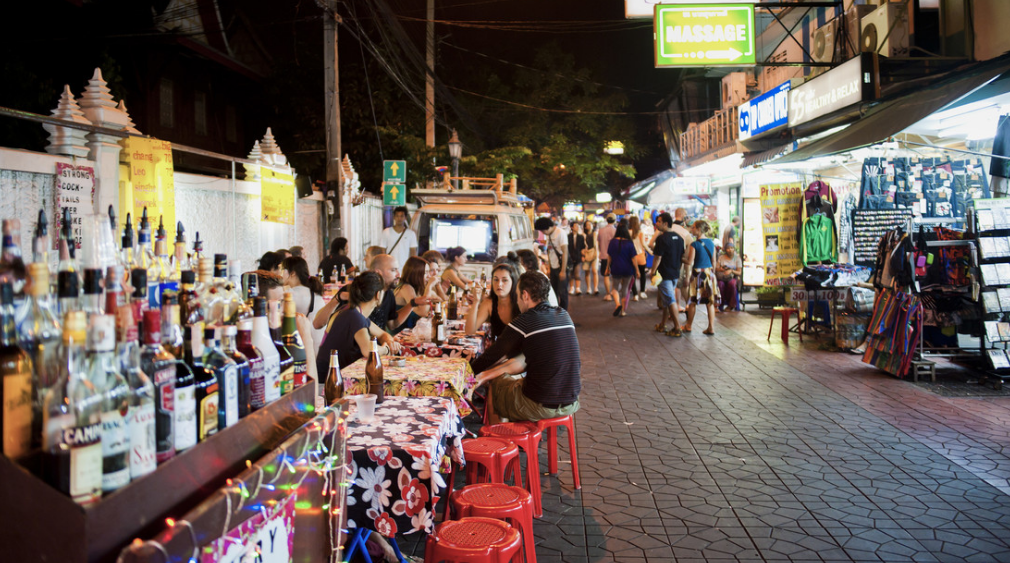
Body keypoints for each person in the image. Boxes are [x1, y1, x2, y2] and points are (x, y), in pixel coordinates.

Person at [469, 271, 580, 422]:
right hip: (571, 402)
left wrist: (468, 374)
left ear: (525, 295)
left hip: (541, 406)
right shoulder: (563, 314)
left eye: (517, 295)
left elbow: (492, 355)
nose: (517, 300)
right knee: (515, 381)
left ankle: (497, 438)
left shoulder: (526, 320)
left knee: (496, 385)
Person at [315, 272, 399, 376]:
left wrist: (390, 342)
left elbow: (382, 334)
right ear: (378, 294)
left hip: (335, 376)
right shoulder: (354, 316)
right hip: (327, 382)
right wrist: (385, 349)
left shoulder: (354, 312)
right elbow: (368, 350)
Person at [256, 270, 320, 383]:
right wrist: (307, 339)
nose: (285, 309)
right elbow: (310, 394)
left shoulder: (280, 331)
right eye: (279, 303)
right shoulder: (262, 342)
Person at [647, 212, 685, 337]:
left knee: (670, 300)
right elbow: (682, 256)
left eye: (659, 221)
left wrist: (653, 272)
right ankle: (663, 324)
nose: (657, 224)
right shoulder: (679, 238)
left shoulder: (662, 238)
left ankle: (677, 328)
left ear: (666, 223)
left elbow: (657, 258)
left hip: (664, 274)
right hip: (675, 273)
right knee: (666, 300)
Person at [280, 256, 326, 348]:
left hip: (304, 349)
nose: (280, 274)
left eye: (282, 270)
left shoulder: (289, 295)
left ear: (292, 273)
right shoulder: (314, 292)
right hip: (320, 346)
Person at [466, 261, 520, 339]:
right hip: (498, 349)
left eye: (504, 280)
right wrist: (476, 302)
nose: (499, 284)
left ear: (513, 282)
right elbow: (469, 332)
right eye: (496, 280)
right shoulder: (489, 303)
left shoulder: (521, 303)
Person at [685, 220, 718, 336]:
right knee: (710, 302)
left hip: (697, 274)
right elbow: (714, 261)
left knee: (693, 302)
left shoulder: (695, 244)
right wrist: (713, 274)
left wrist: (681, 258)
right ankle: (711, 327)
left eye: (693, 228)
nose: (692, 229)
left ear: (699, 229)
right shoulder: (711, 243)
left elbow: (690, 261)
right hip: (709, 274)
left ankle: (688, 325)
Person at [393, 256, 441, 332]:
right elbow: (423, 312)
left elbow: (439, 300)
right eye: (425, 272)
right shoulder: (406, 288)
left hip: (409, 333)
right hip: (398, 336)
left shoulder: (414, 286)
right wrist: (429, 286)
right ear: (416, 273)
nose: (429, 276)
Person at [534, 217, 569, 311]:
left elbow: (565, 252)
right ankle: (556, 312)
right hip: (553, 267)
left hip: (561, 267)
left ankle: (563, 314)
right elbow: (550, 251)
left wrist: (563, 271)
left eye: (543, 230)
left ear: (548, 227)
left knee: (563, 293)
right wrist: (549, 267)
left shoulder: (560, 233)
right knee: (554, 292)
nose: (543, 232)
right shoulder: (549, 234)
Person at [606, 223, 638, 317]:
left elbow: (609, 257)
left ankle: (618, 304)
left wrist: (607, 268)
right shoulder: (629, 242)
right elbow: (634, 258)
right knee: (625, 288)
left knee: (615, 288)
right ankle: (623, 311)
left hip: (616, 268)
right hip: (628, 269)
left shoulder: (613, 242)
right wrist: (637, 270)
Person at [379, 206, 418, 270]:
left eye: (401, 216)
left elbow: (413, 252)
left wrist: (412, 266)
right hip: (390, 267)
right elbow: (383, 251)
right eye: (397, 216)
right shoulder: (386, 232)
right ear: (394, 217)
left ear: (405, 218)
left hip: (405, 268)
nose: (399, 218)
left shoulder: (411, 234)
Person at [716, 242, 743, 312]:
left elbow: (739, 272)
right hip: (722, 277)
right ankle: (720, 304)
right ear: (725, 250)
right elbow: (716, 268)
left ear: (734, 249)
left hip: (732, 277)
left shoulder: (737, 258)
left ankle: (731, 305)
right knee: (720, 285)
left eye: (731, 248)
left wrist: (731, 271)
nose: (730, 250)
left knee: (732, 284)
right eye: (728, 248)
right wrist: (721, 269)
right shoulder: (721, 257)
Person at [597, 214, 617, 300]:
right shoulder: (615, 231)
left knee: (606, 275)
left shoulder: (601, 231)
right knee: (614, 275)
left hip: (604, 255)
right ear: (614, 220)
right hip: (614, 256)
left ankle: (608, 294)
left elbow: (598, 243)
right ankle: (613, 291)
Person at [629, 216, 649, 301]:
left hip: (631, 256)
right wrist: (650, 251)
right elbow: (644, 244)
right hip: (640, 255)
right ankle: (642, 292)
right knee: (642, 274)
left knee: (632, 276)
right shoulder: (641, 232)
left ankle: (635, 295)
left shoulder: (627, 232)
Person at [567, 222, 585, 295]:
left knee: (577, 273)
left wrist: (583, 256)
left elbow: (583, 247)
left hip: (578, 257)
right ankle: (571, 288)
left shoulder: (581, 237)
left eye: (578, 226)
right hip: (570, 258)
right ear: (572, 228)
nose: (577, 227)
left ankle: (578, 288)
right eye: (576, 226)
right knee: (570, 274)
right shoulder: (568, 237)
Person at [582, 220, 599, 295]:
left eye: (590, 224)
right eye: (588, 225)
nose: (589, 226)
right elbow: (582, 246)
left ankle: (596, 288)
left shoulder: (595, 234)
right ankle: (589, 288)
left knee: (595, 271)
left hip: (594, 253)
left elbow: (598, 244)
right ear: (585, 227)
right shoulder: (583, 235)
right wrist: (582, 254)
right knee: (587, 271)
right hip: (586, 253)